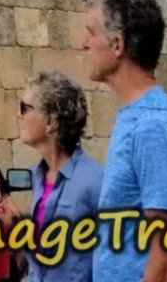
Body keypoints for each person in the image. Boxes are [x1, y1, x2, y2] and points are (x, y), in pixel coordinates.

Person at [82, 0, 167, 282]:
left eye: (92, 33)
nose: (84, 43)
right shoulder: (137, 117)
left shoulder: (153, 126)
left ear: (117, 45)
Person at [16, 71, 102, 282]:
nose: (19, 115)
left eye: (24, 108)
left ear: (51, 122)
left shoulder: (95, 182)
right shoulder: (38, 177)